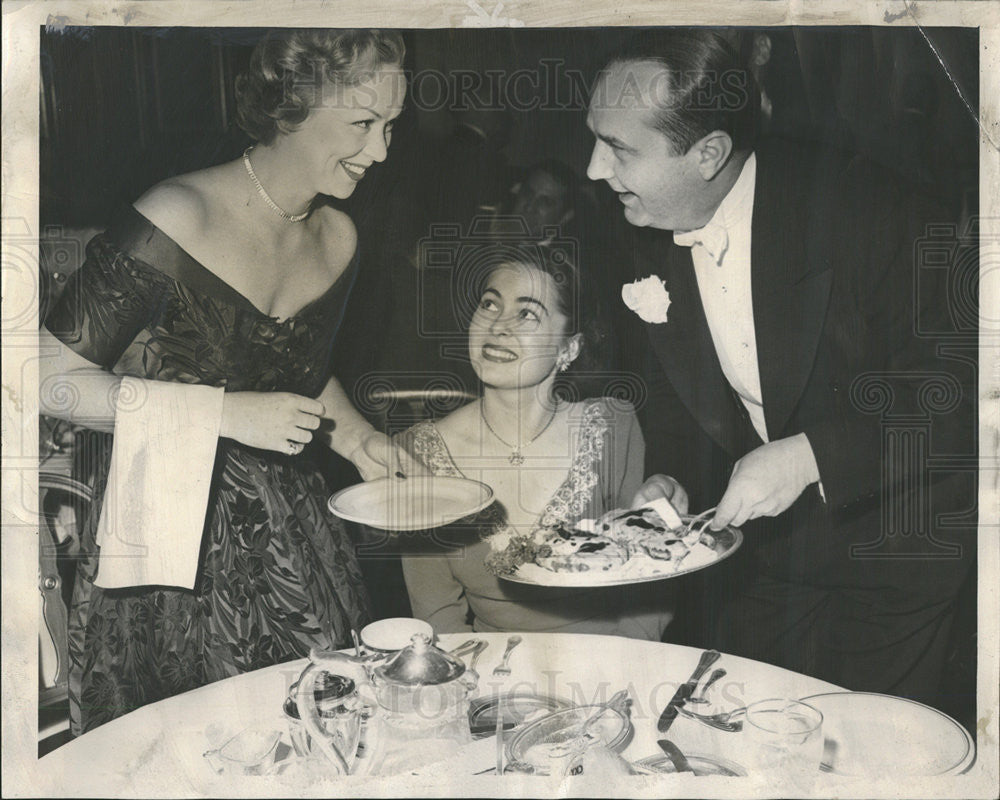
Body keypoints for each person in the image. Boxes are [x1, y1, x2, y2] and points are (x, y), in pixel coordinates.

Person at [39, 29, 423, 734]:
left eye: (391, 126)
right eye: (364, 125)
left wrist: (361, 439)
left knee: (320, 726)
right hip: (161, 541)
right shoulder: (174, 216)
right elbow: (48, 380)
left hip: (291, 530)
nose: (381, 152)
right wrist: (222, 414)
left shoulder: (340, 236)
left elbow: (296, 369)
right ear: (290, 107)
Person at [585, 30, 975, 708]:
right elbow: (676, 394)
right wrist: (670, 477)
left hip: (896, 541)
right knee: (746, 738)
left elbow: (959, 391)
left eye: (618, 148)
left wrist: (810, 456)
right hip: (762, 560)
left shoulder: (871, 208)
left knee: (863, 752)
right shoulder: (633, 222)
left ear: (708, 154)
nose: (593, 169)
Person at [398, 246, 672, 639]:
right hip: (489, 672)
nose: (498, 326)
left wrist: (626, 671)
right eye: (490, 304)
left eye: (527, 313)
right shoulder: (417, 454)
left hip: (609, 661)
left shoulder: (613, 427)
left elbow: (649, 584)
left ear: (569, 348)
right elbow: (436, 615)